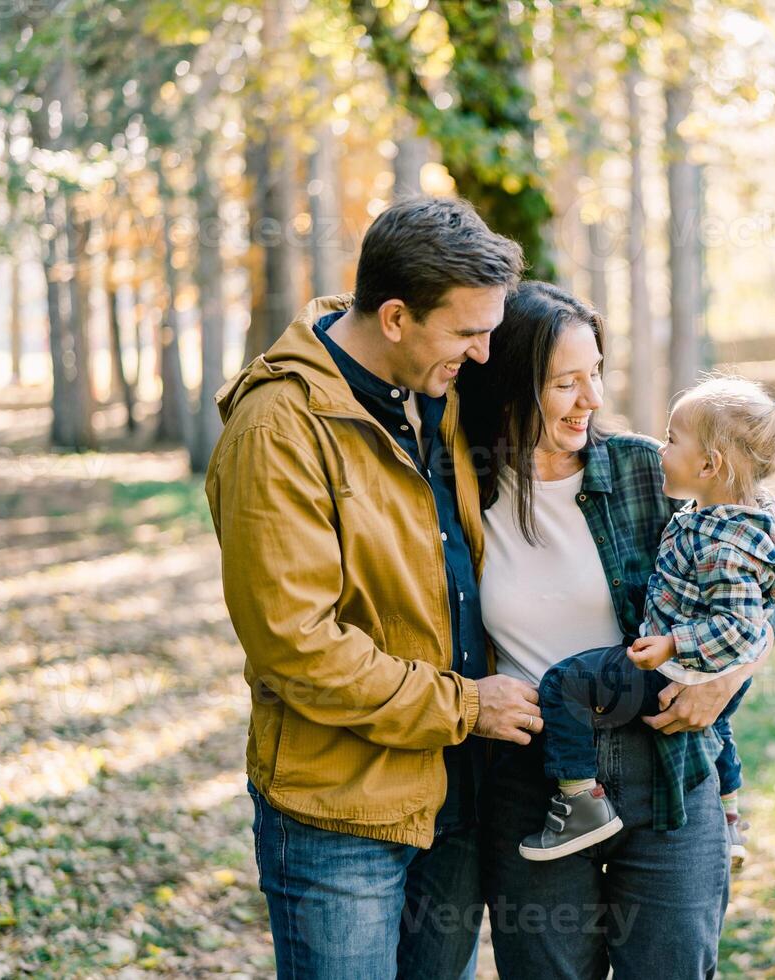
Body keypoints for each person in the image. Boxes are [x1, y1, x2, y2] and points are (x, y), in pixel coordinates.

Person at [205, 196, 545, 979]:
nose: (485, 354)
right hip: (340, 814)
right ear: (395, 317)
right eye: (467, 333)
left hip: (453, 795)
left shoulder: (439, 389)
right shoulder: (279, 429)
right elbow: (298, 647)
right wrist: (467, 705)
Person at [457, 281, 775, 978]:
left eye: (596, 372)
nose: (591, 399)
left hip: (667, 765)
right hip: (536, 777)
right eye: (566, 382)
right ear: (510, 383)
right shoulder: (458, 488)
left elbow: (766, 583)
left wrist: (726, 678)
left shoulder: (645, 471)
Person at [518, 376, 775, 871]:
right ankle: (730, 813)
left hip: (678, 671)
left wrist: (673, 644)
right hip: (704, 672)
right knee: (724, 726)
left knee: (565, 683)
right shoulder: (755, 516)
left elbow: (738, 626)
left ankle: (580, 801)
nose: (661, 449)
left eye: (672, 440)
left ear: (710, 465)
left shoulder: (720, 545)